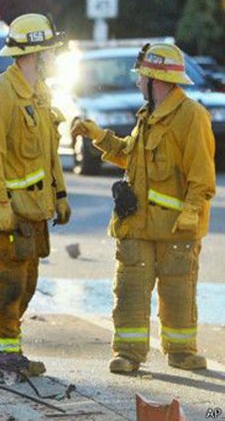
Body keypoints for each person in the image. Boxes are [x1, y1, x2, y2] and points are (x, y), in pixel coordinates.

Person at [71, 43, 215, 373]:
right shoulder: (147, 116)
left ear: (157, 80)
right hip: (137, 224)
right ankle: (128, 354)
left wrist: (191, 210)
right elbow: (130, 156)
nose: (137, 82)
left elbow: (202, 176)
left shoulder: (192, 118)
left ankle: (180, 352)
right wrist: (98, 136)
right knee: (130, 290)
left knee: (178, 291)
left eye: (142, 76)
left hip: (176, 228)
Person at [0, 13, 71, 377]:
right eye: (50, 51)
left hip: (33, 213)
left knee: (27, 284)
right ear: (36, 54)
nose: (54, 58)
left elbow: (49, 152)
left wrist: (60, 194)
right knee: (6, 284)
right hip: (9, 213)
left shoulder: (40, 95)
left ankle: (6, 353)